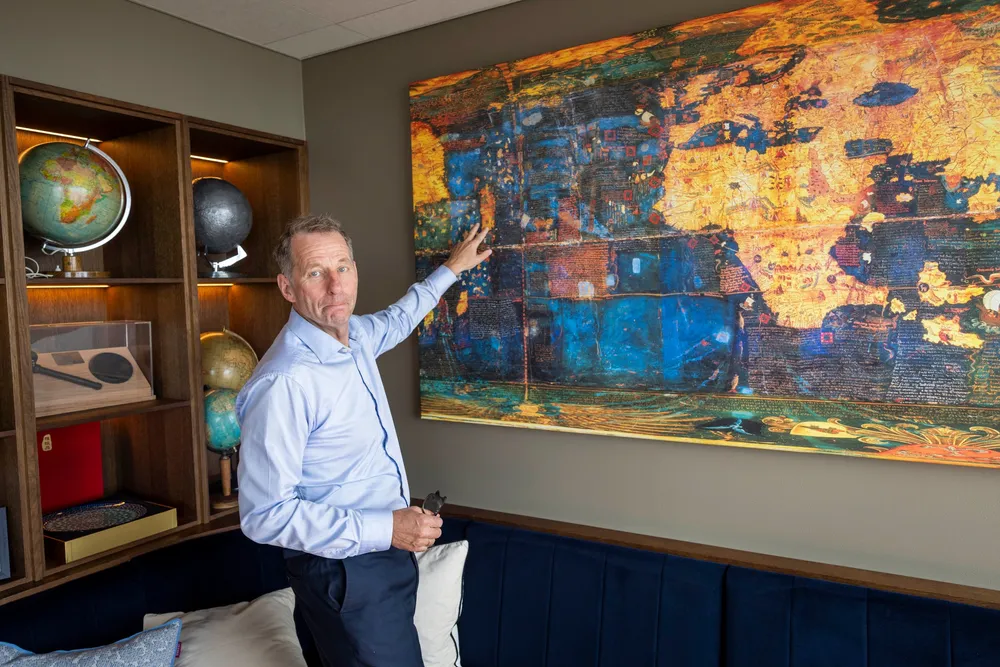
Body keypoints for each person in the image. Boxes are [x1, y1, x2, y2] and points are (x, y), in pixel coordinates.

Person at [235, 214, 491, 667]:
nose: (335, 286)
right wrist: (386, 528)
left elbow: (399, 317)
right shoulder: (284, 382)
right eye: (316, 273)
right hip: (345, 573)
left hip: (382, 559)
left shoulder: (355, 338)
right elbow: (264, 515)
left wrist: (452, 268)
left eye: (343, 267)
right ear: (288, 287)